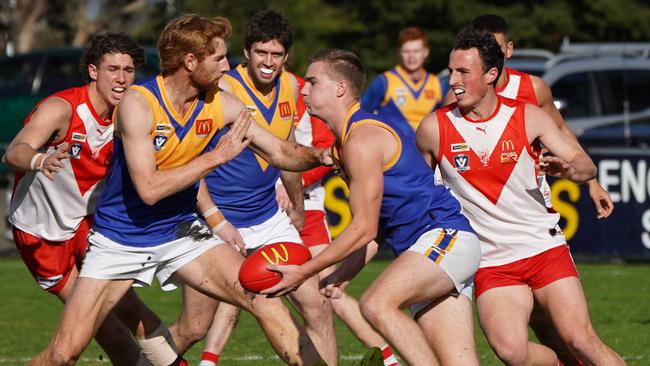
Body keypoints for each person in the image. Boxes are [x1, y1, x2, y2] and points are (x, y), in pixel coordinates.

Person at [28, 14, 330, 366]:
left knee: (260, 296)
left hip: (181, 230)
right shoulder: (139, 103)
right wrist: (218, 157)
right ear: (190, 61)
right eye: (218, 58)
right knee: (64, 353)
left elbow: (280, 151)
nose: (227, 65)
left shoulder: (221, 102)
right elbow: (149, 189)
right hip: (121, 239)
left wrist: (325, 155)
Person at [416, 28, 625, 366]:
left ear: (491, 74)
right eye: (451, 70)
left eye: (463, 72)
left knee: (581, 340)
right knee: (511, 351)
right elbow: (413, 188)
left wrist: (574, 172)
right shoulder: (433, 128)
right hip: (490, 262)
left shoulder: (528, 115)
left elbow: (583, 162)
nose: (452, 79)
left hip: (543, 249)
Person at [263, 48, 482, 366]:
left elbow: (363, 228)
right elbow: (376, 225)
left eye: (312, 82)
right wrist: (345, 272)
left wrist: (304, 272)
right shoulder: (344, 145)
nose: (303, 89)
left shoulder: (361, 140)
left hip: (445, 238)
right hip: (434, 249)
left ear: (340, 88)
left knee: (376, 305)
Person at [164, 11, 337, 366]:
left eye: (276, 54)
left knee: (316, 304)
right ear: (246, 51)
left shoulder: (290, 86)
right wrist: (214, 219)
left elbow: (284, 150)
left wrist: (299, 210)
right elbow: (190, 161)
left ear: (286, 57)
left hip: (269, 218)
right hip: (216, 223)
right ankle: (141, 360)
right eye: (261, 52)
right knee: (195, 327)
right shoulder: (220, 88)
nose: (268, 62)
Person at [3, 32, 179, 365]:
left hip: (87, 226)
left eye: (129, 70)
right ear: (94, 71)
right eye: (113, 69)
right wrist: (40, 160)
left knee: (130, 308)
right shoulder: (62, 108)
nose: (122, 78)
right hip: (42, 236)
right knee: (104, 330)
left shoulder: (131, 113)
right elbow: (14, 151)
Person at [361, 27, 445, 140]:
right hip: (393, 152)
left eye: (416, 51)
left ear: (426, 52)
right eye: (406, 51)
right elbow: (361, 116)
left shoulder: (437, 85)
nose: (411, 56)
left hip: (424, 154)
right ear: (399, 52)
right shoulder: (385, 81)